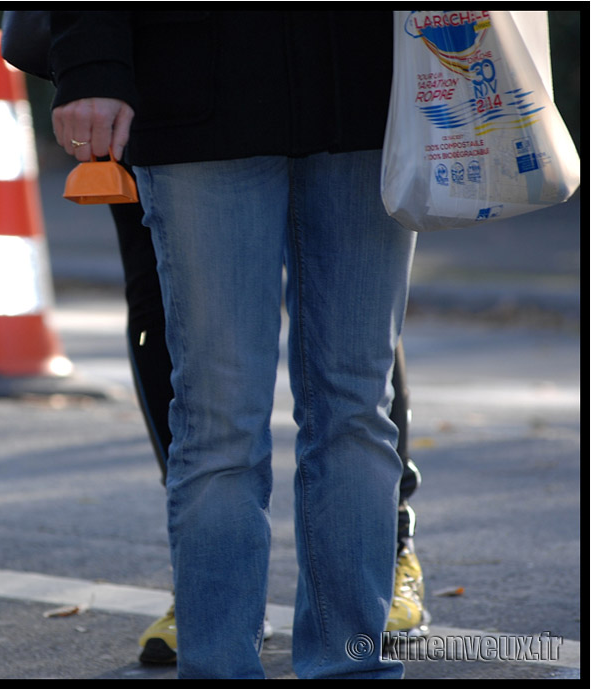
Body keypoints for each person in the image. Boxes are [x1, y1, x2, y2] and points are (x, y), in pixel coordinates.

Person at [49, 11, 417, 678]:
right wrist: (90, 64)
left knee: (356, 410)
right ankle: (218, 669)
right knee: (222, 419)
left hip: (371, 94)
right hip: (199, 95)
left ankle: (353, 668)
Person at [112, 191, 429, 664]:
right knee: (209, 401)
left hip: (352, 127)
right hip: (191, 128)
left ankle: (389, 554)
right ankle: (209, 602)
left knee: (352, 387)